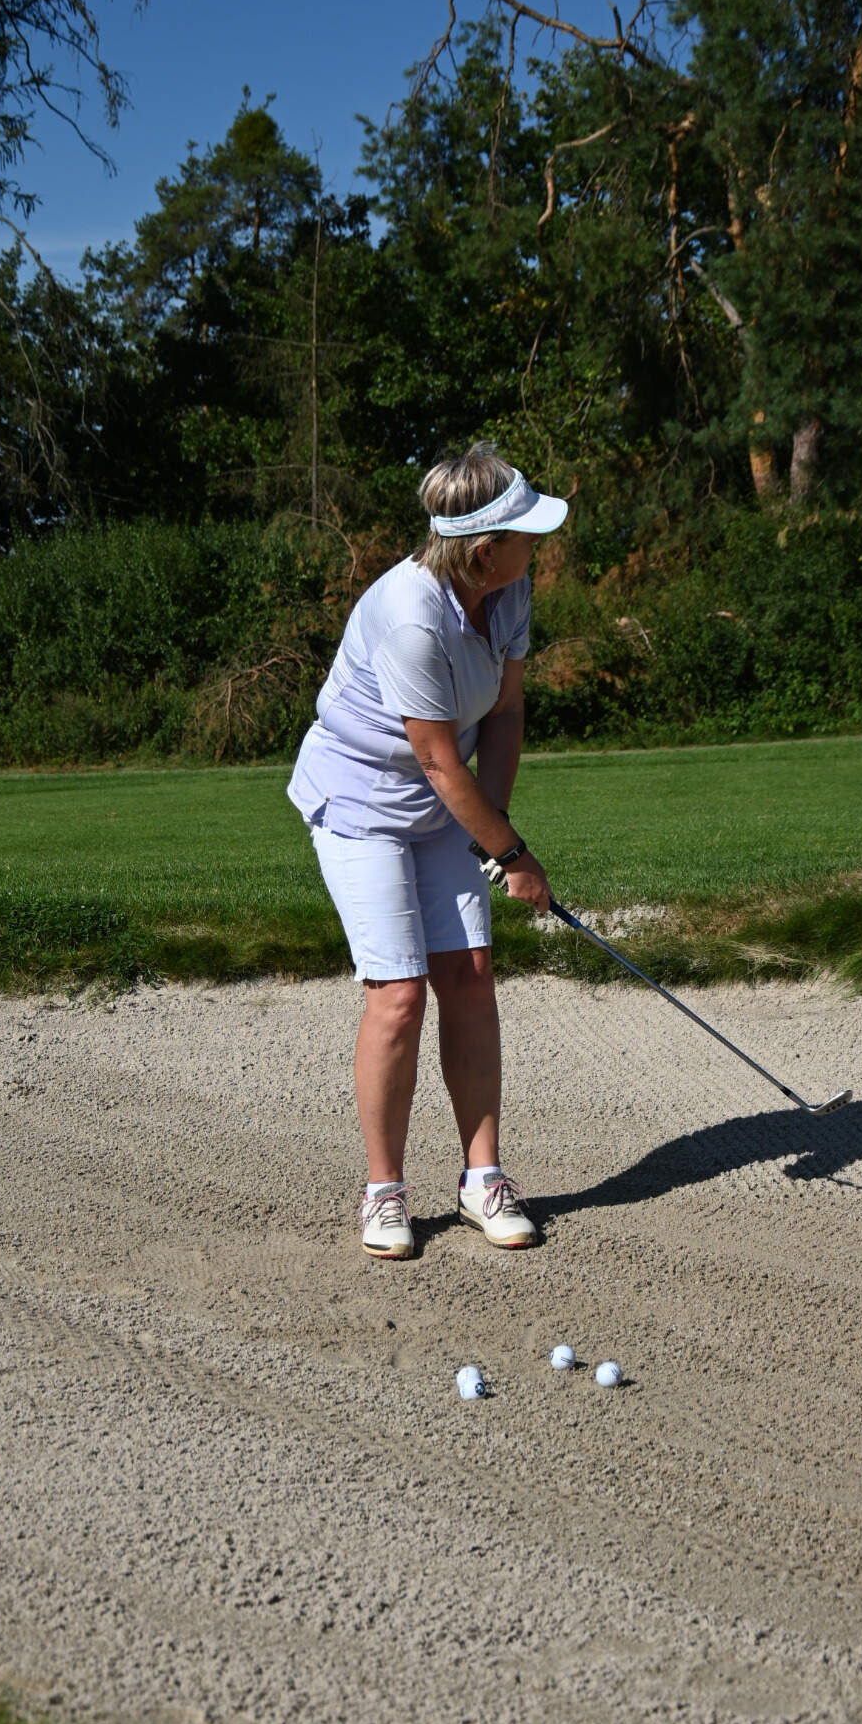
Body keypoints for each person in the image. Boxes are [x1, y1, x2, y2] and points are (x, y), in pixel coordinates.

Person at [287, 442, 568, 1259]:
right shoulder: (409, 616)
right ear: (482, 550)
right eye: (525, 534)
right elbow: (439, 759)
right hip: (362, 805)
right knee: (399, 993)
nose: (537, 544)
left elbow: (504, 713)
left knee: (470, 976)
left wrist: (493, 827)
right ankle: (384, 1193)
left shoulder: (510, 591)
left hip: (446, 805)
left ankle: (483, 1178)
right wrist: (512, 856)